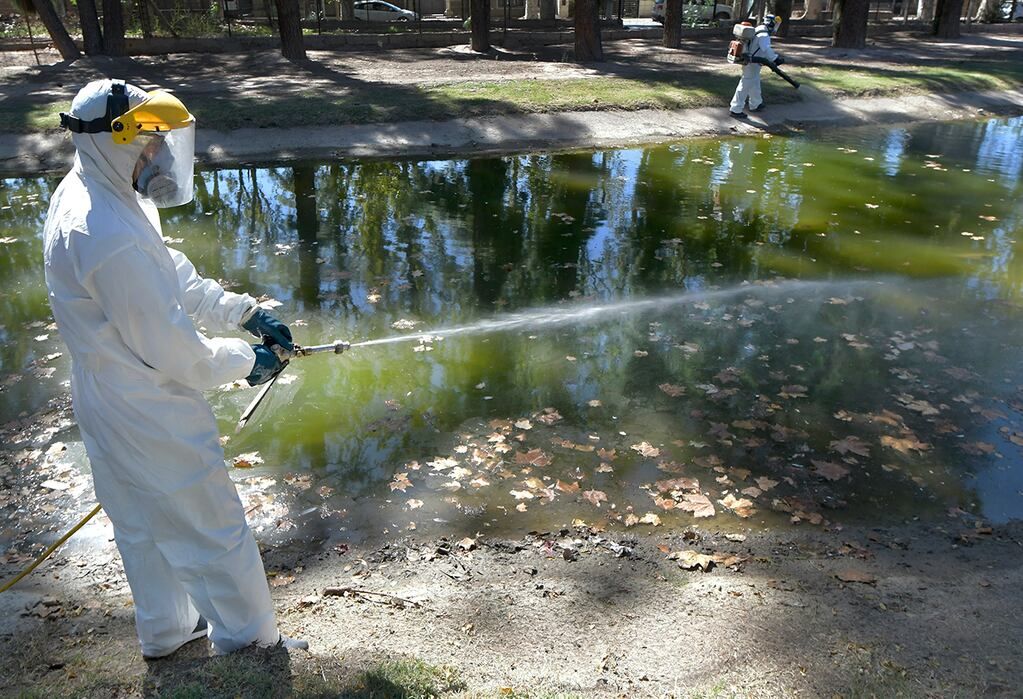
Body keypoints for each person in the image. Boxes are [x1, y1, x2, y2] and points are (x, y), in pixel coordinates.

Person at [43, 79, 308, 659]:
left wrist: (242, 312)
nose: (159, 153)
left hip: (109, 394)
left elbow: (165, 270)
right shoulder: (105, 233)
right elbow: (176, 353)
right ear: (115, 141)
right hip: (148, 403)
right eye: (148, 142)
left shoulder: (96, 189)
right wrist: (248, 360)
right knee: (212, 525)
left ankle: (167, 631)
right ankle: (252, 642)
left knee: (143, 524)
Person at [729, 14, 785, 119]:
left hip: (752, 61)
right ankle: (735, 109)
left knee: (754, 81)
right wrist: (775, 59)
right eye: (775, 25)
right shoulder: (764, 35)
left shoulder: (759, 29)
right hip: (752, 62)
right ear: (771, 24)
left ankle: (756, 103)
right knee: (745, 84)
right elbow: (766, 49)